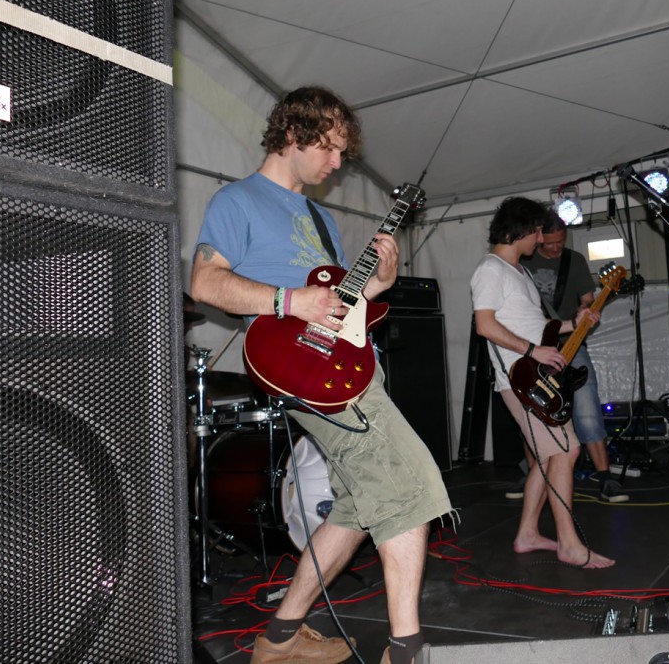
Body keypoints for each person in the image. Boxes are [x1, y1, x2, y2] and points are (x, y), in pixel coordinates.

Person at [191, 86, 452, 664]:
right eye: (330, 150)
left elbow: (344, 301)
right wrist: (291, 302)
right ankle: (405, 651)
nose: (338, 164)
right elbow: (205, 284)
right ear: (293, 135)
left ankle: (281, 637)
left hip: (350, 366)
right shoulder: (237, 201)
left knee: (358, 507)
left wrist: (380, 280)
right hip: (301, 364)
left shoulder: (319, 217)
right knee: (409, 487)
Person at [470, 196, 615, 569]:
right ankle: (568, 543)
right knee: (565, 452)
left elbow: (535, 325)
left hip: (538, 377)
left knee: (550, 457)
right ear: (522, 229)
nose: (541, 239)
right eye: (537, 231)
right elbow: (485, 325)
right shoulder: (490, 270)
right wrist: (533, 351)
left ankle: (529, 534)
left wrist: (576, 321)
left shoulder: (519, 271)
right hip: (520, 380)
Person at [520, 210, 628, 502]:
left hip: (572, 343)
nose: (555, 248)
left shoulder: (575, 261)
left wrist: (590, 311)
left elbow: (587, 302)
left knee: (586, 406)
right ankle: (534, 478)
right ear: (539, 236)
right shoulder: (524, 259)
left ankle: (605, 478)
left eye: (560, 242)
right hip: (533, 346)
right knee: (533, 410)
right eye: (549, 243)